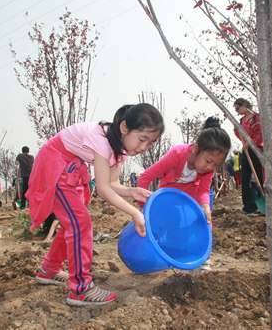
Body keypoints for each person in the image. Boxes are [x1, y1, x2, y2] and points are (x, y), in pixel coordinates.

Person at [27, 103, 164, 306]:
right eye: (142, 139)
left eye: (150, 143)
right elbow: (103, 189)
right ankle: (80, 289)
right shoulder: (102, 140)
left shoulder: (121, 146)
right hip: (56, 164)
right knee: (80, 223)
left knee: (72, 223)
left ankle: (50, 270)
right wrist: (135, 214)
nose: (144, 147)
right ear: (125, 127)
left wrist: (131, 191)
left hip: (71, 166)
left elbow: (113, 183)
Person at [138, 117, 231, 269]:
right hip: (168, 196)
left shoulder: (208, 170)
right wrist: (144, 206)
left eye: (216, 164)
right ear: (195, 149)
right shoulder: (177, 154)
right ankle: (170, 252)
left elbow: (203, 191)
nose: (210, 167)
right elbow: (145, 178)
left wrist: (205, 206)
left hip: (190, 198)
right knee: (169, 224)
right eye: (208, 161)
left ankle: (201, 257)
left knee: (203, 219)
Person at [233, 98, 264, 216]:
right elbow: (237, 131)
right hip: (246, 151)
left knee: (259, 177)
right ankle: (249, 207)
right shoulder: (241, 121)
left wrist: (251, 143)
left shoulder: (256, 118)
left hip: (257, 150)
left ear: (245, 105)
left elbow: (259, 133)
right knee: (245, 179)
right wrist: (244, 142)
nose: (237, 110)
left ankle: (263, 204)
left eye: (238, 107)